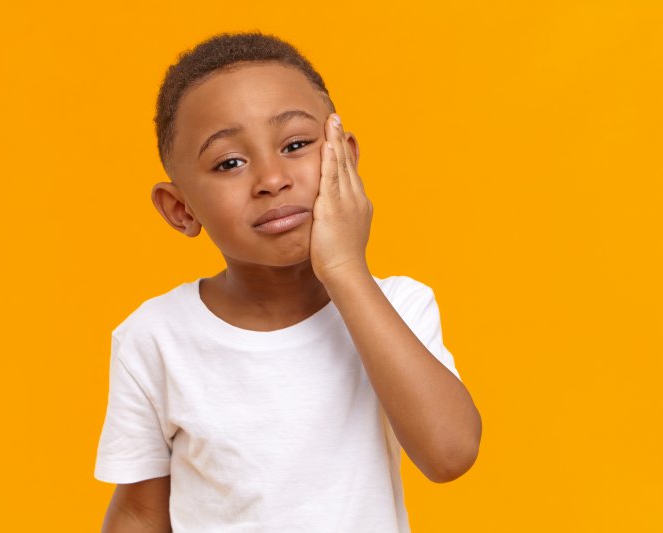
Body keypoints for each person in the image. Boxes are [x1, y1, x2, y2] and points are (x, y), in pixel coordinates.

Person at [94, 31, 482, 532]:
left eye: (296, 144)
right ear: (180, 208)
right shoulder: (154, 338)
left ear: (345, 158)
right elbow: (141, 511)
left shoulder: (398, 305)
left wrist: (344, 268)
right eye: (229, 162)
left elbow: (449, 454)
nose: (272, 179)